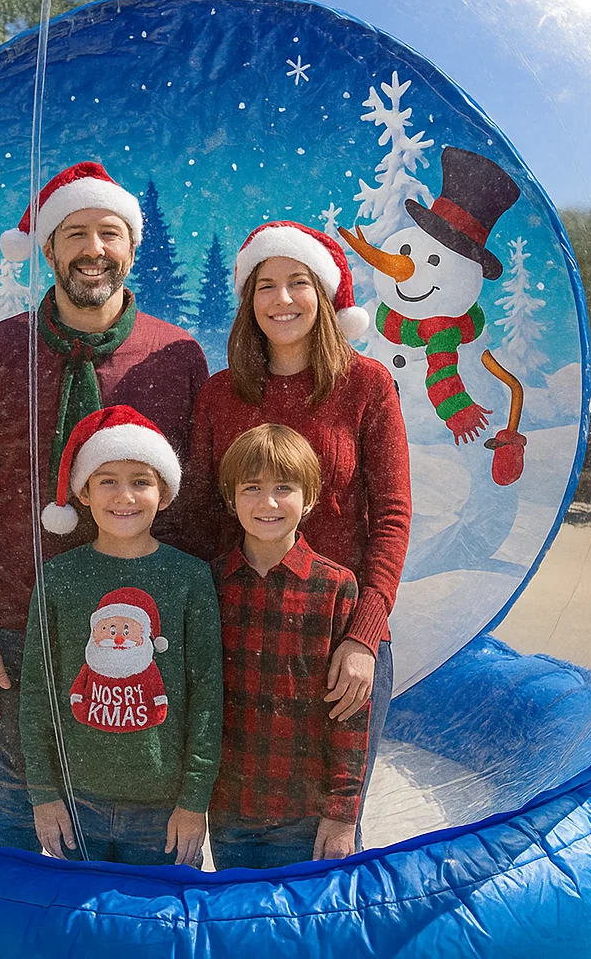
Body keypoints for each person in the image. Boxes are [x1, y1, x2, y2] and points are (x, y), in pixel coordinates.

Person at [0, 162, 209, 851]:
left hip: (147, 635)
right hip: (17, 626)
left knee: (148, 825)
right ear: (49, 247)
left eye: (109, 233)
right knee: (22, 817)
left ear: (132, 246)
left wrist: (193, 624)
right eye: (75, 233)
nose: (94, 249)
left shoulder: (176, 357)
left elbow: (197, 506)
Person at [183, 220, 411, 843]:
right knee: (239, 818)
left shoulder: (367, 386)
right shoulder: (220, 395)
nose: (281, 299)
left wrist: (364, 635)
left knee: (332, 829)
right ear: (248, 300)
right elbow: (201, 517)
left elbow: (392, 516)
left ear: (325, 294)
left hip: (342, 638)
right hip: (244, 630)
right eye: (266, 285)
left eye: (298, 283)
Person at [20, 406, 222, 866]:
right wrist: (44, 793)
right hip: (76, 803)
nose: (124, 496)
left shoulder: (189, 577)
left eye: (140, 481)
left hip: (163, 809)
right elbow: (37, 691)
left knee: (159, 911)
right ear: (84, 493)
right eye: (107, 480)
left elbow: (207, 696)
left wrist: (194, 802)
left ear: (163, 494)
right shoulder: (59, 577)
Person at [208, 423, 370, 869]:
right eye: (252, 488)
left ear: (310, 497)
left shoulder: (335, 587)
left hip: (304, 814)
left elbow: (350, 714)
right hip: (228, 809)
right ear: (231, 499)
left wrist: (342, 814)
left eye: (284, 487)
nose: (269, 502)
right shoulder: (211, 583)